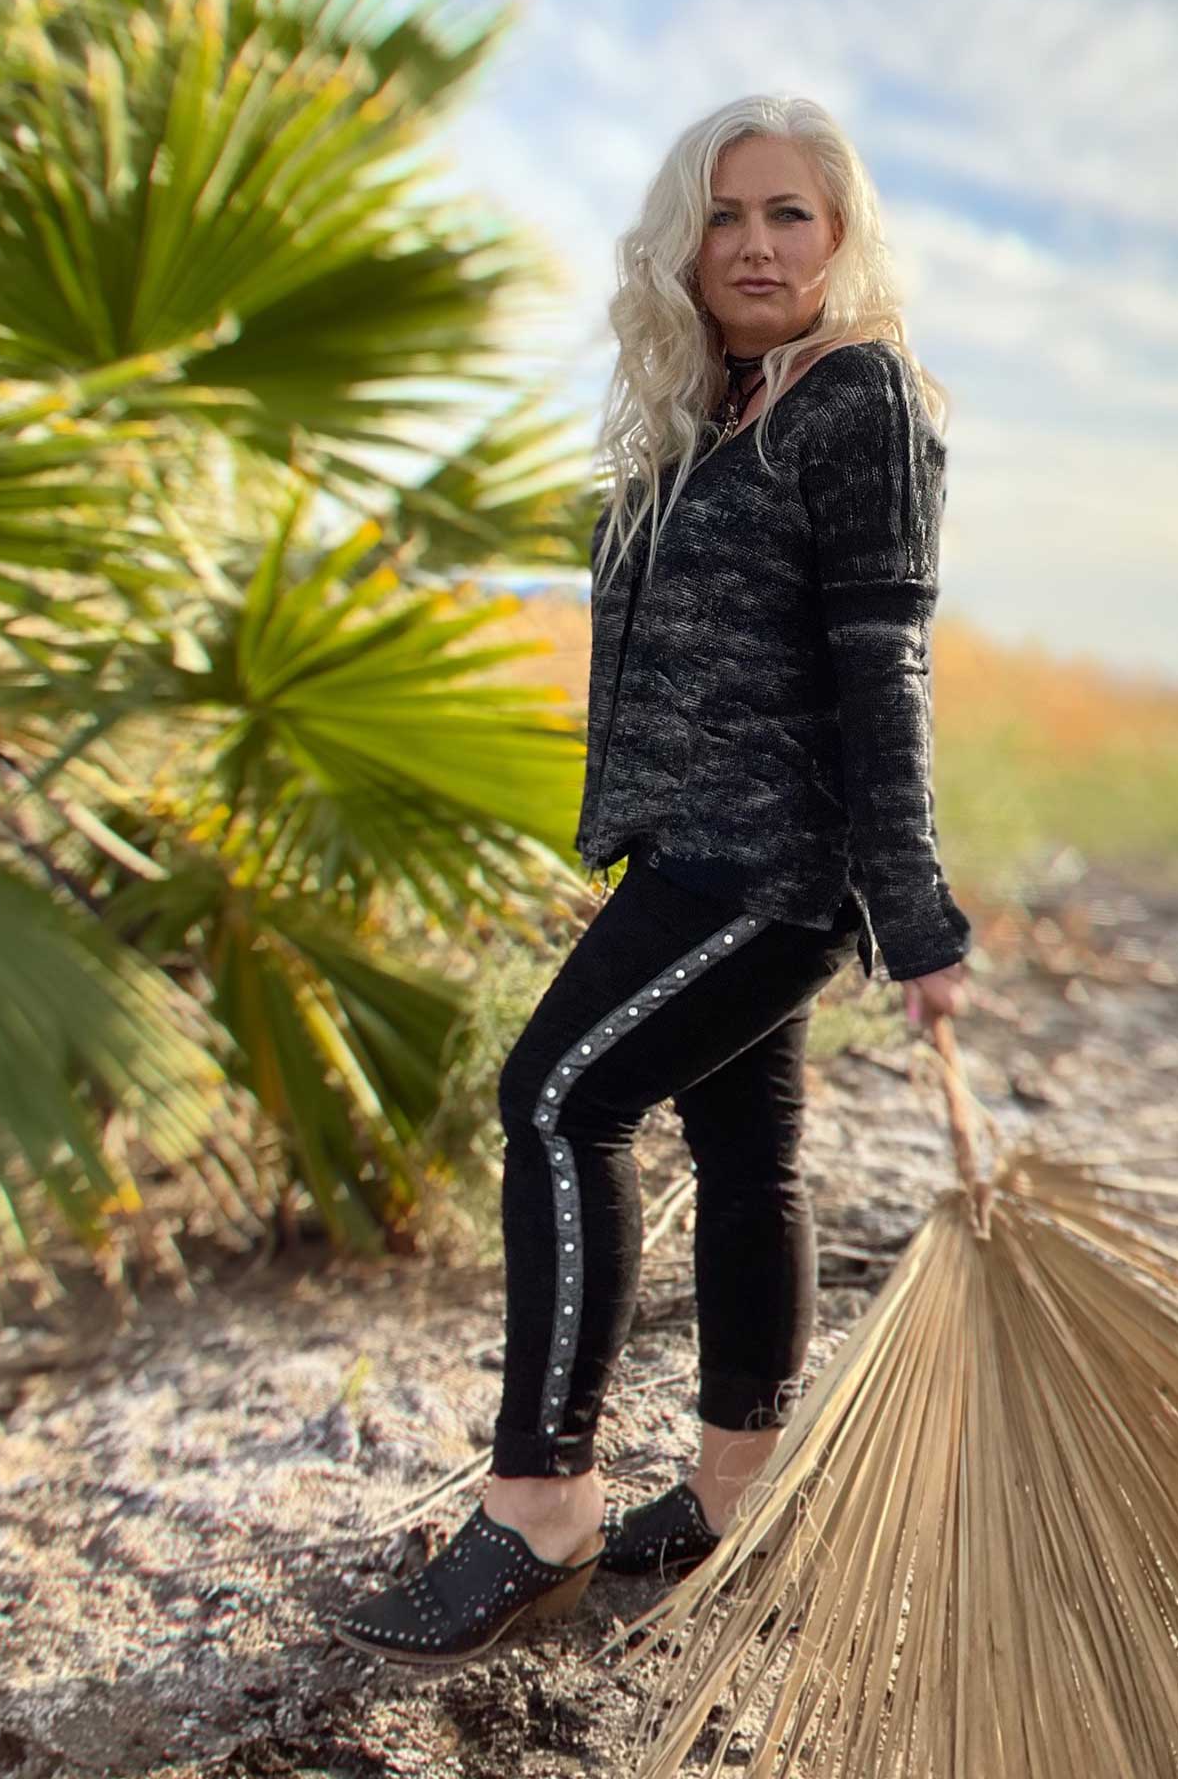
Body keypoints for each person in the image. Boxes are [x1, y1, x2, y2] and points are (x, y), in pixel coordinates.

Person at [334, 94, 972, 1667]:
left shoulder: (855, 397)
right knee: (746, 1149)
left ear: (842, 241)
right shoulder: (721, 409)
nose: (753, 244)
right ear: (683, 242)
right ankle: (738, 1493)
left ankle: (540, 1502)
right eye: (724, 215)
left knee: (557, 1100)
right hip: (696, 852)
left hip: (766, 867)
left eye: (790, 216)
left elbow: (883, 664)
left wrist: (917, 910)